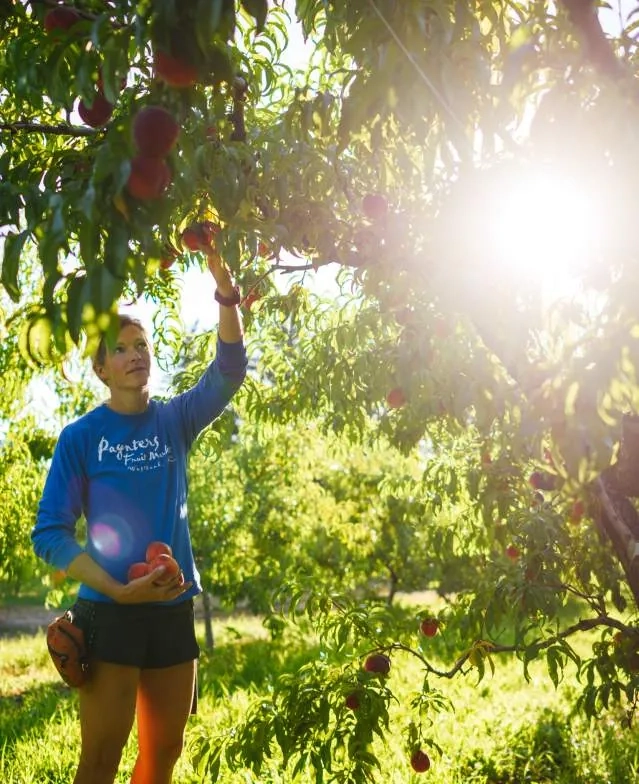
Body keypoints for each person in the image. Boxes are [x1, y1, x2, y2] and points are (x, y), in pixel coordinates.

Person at [31, 248, 247, 784]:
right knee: (101, 757)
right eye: (121, 349)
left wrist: (225, 293)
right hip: (109, 613)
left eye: (143, 345)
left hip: (172, 608)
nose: (135, 355)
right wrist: (116, 589)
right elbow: (50, 533)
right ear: (101, 369)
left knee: (164, 753)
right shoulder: (81, 438)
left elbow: (229, 370)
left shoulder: (175, 420)